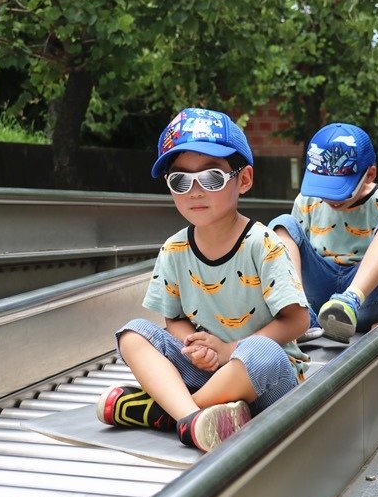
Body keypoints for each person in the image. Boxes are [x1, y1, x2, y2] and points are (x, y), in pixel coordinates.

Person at [96, 107, 311, 453]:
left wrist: (229, 351)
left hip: (266, 379)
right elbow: (174, 319)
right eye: (180, 180)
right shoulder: (174, 249)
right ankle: (194, 418)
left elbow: (298, 320)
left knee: (263, 352)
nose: (195, 191)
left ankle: (170, 413)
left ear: (243, 180)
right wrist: (196, 347)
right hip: (208, 371)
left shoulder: (263, 244)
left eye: (211, 178)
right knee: (134, 333)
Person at [268, 122, 378, 343]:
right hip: (317, 295)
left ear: (370, 174)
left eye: (339, 190)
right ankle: (298, 311)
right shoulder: (307, 200)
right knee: (283, 225)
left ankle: (348, 301)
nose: (330, 198)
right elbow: (292, 254)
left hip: (366, 298)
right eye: (323, 187)